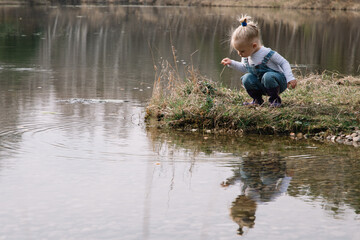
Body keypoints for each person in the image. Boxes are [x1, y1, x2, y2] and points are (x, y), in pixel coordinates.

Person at [221, 15, 297, 107]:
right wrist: (232, 63)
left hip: (278, 83)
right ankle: (257, 100)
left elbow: (283, 62)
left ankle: (275, 100)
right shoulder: (246, 56)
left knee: (267, 76)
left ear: (254, 46)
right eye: (237, 50)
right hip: (262, 85)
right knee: (246, 78)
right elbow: (245, 68)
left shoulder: (267, 53)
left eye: (242, 51)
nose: (239, 53)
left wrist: (290, 77)